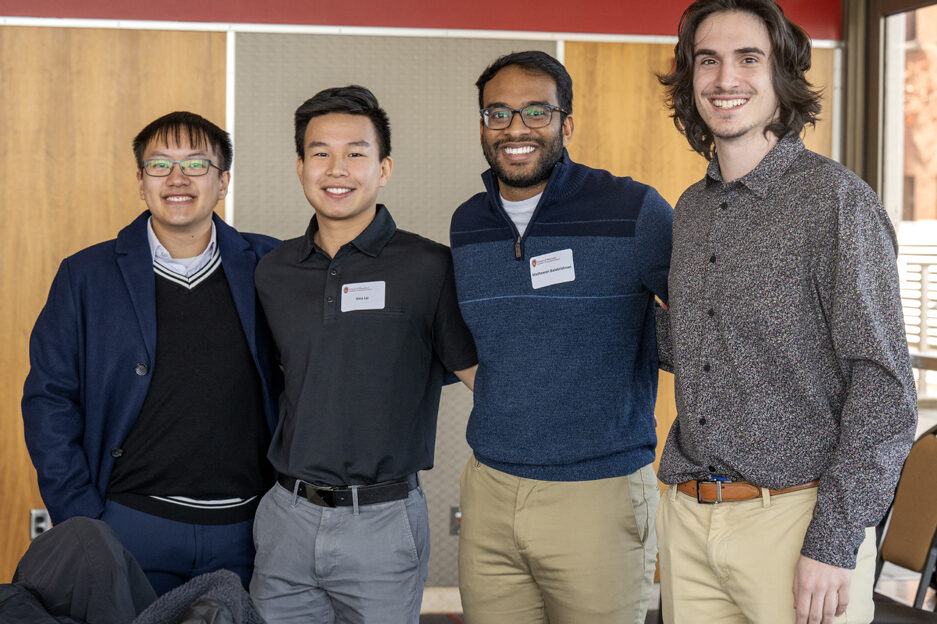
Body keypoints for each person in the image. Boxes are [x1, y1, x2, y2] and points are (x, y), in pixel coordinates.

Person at [655, 2, 918, 622]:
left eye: (749, 59)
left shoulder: (834, 201)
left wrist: (833, 540)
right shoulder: (690, 210)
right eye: (708, 60)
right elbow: (700, 347)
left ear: (783, 78)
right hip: (690, 521)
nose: (726, 79)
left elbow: (883, 390)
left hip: (797, 524)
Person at [450, 51, 673, 624]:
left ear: (566, 124)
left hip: (598, 494)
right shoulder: (468, 224)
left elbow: (706, 326)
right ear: (482, 124)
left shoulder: (634, 209)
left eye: (535, 111)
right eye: (497, 113)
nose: (515, 128)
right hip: (490, 490)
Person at [22, 111, 281, 596]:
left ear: (223, 182)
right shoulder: (86, 275)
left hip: (248, 530)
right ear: (141, 181)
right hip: (130, 524)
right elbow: (48, 399)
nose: (178, 179)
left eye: (197, 164)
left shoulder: (272, 266)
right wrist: (84, 518)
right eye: (160, 165)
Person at [250, 85, 478, 624]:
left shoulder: (429, 267)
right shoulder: (273, 272)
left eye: (356, 153)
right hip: (286, 516)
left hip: (382, 522)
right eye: (320, 153)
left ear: (385, 167)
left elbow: (479, 378)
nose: (337, 169)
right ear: (300, 166)